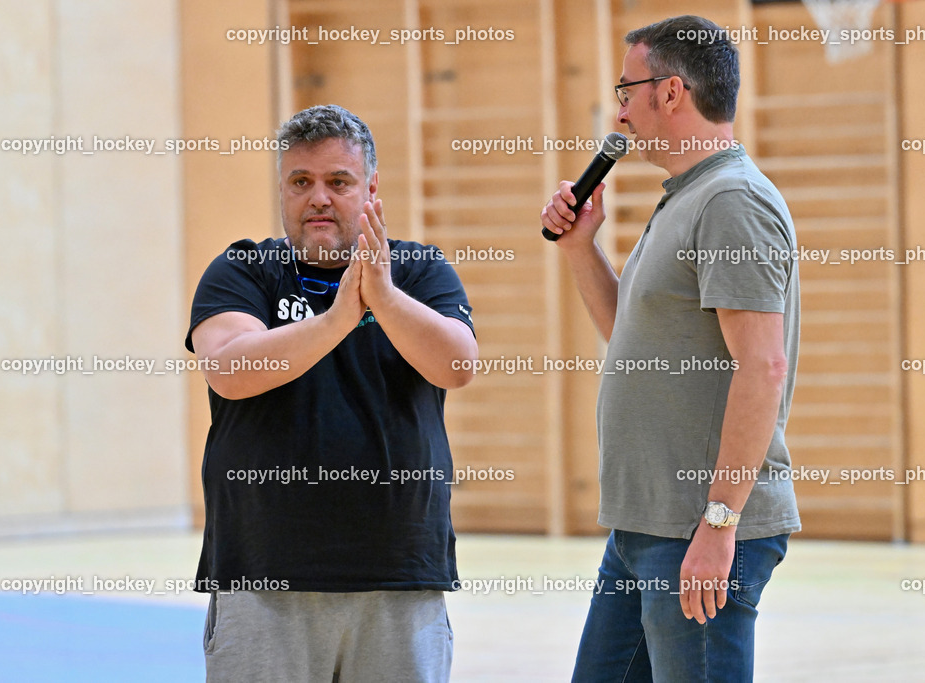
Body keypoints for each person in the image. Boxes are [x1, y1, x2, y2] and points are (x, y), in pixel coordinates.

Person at [541, 15, 801, 683]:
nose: (619, 108)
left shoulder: (731, 201)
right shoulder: (686, 198)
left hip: (698, 529)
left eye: (627, 89)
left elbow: (762, 366)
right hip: (644, 527)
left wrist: (719, 525)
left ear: (671, 92)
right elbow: (632, 338)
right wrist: (580, 247)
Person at [185, 104, 478, 682]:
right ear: (283, 191)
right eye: (301, 182)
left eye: (337, 182)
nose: (318, 197)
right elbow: (228, 369)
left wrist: (384, 299)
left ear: (370, 189)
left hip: (399, 576)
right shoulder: (245, 268)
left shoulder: (418, 271)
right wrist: (339, 319)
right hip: (264, 577)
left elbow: (457, 364)